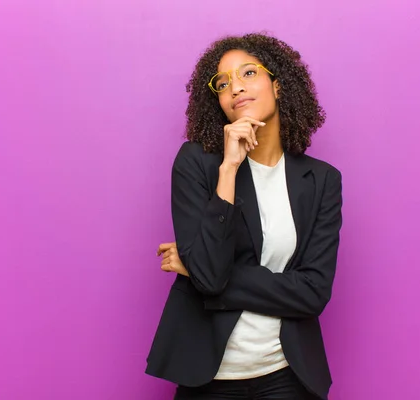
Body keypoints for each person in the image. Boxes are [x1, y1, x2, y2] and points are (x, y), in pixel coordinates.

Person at [146, 33, 343, 400]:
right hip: (208, 378)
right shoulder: (195, 163)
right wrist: (229, 167)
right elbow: (208, 273)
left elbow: (313, 293)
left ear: (279, 86)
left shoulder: (321, 181)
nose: (235, 87)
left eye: (248, 73)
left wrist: (202, 272)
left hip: (287, 374)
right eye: (223, 83)